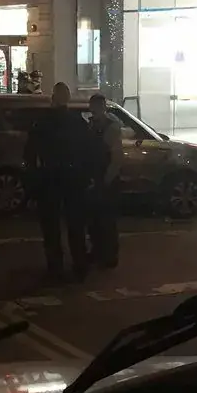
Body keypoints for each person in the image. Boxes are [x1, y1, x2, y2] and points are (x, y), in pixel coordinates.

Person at [24, 81, 92, 282]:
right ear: (68, 99)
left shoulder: (42, 122)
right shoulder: (78, 123)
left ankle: (56, 268)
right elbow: (89, 153)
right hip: (73, 178)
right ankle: (80, 265)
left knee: (51, 226)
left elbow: (30, 153)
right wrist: (86, 176)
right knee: (76, 224)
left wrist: (34, 178)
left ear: (53, 98)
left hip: (50, 176)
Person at [87, 93, 122, 269]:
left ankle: (110, 256)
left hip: (106, 179)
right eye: (93, 106)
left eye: (98, 106)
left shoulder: (112, 127)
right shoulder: (92, 125)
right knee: (94, 220)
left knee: (107, 221)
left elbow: (116, 158)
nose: (95, 110)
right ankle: (97, 251)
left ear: (103, 107)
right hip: (95, 178)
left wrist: (106, 180)